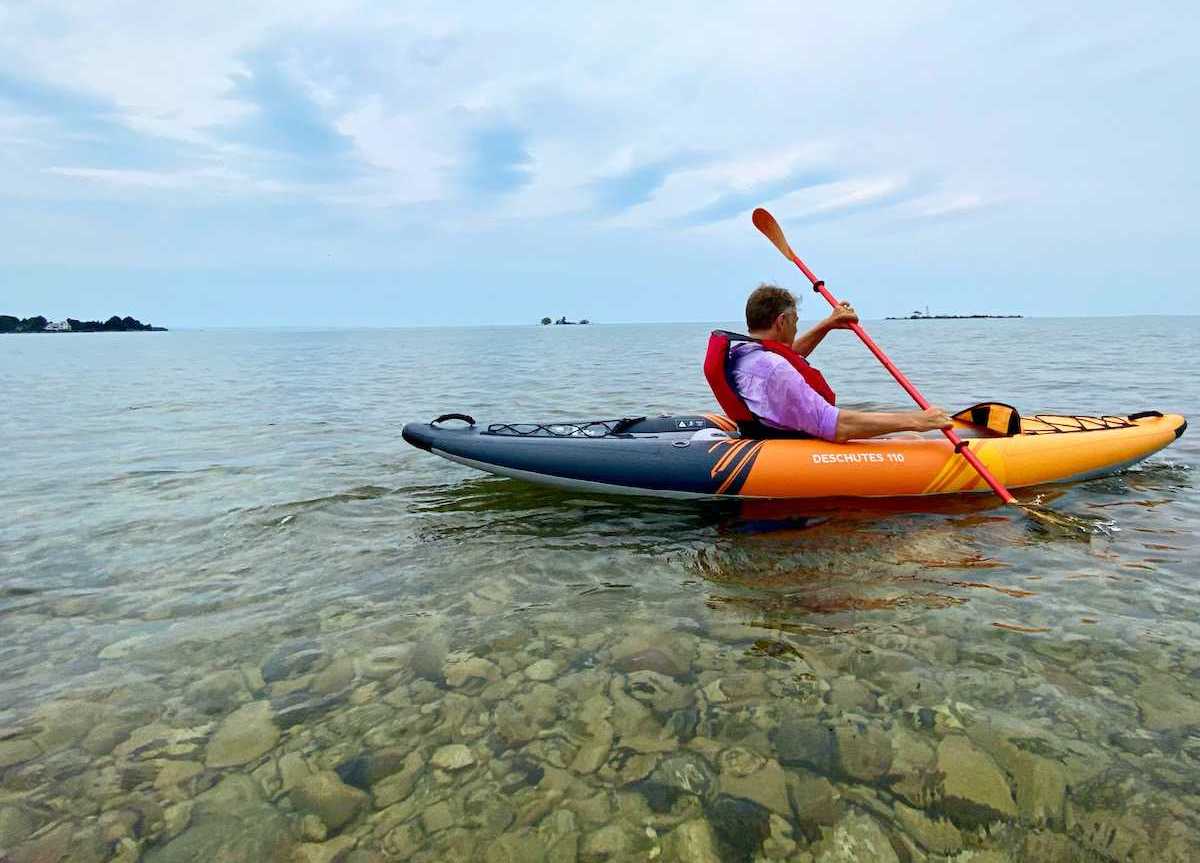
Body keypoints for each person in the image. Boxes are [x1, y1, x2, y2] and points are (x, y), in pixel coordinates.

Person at [726, 283, 952, 442]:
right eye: (795, 321)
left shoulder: (743, 354)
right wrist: (917, 420)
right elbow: (836, 425)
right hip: (792, 443)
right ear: (781, 322)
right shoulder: (776, 369)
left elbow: (784, 356)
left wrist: (828, 324)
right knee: (910, 437)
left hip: (761, 429)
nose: (796, 328)